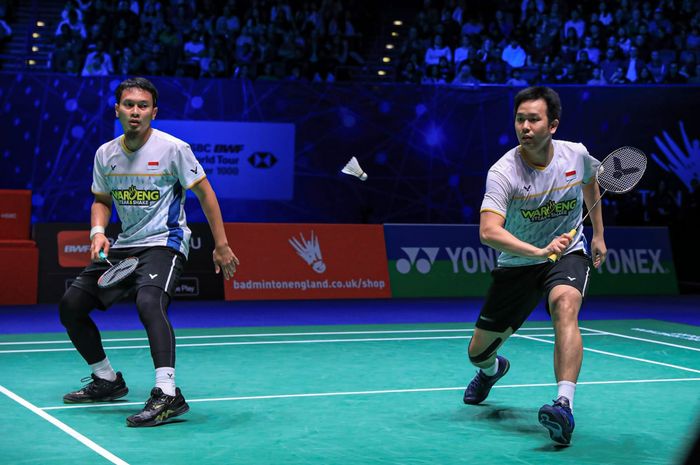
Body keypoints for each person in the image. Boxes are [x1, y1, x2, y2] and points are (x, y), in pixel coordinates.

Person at [59, 77, 239, 427]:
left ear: (153, 112)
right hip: (126, 245)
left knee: (148, 302)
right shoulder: (105, 154)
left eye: (143, 106)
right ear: (118, 110)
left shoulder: (173, 149)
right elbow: (101, 200)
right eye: (129, 105)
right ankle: (107, 380)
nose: (136, 112)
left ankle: (168, 394)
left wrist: (221, 244)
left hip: (165, 242)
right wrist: (98, 232)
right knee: (71, 306)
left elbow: (206, 194)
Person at [462, 86, 606, 446]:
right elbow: (488, 232)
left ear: (552, 125)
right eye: (519, 119)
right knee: (477, 352)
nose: (524, 126)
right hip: (518, 263)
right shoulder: (503, 172)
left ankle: (563, 405)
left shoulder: (576, 154)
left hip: (568, 251)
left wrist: (599, 233)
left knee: (565, 305)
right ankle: (493, 370)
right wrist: (539, 251)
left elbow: (591, 183)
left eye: (533, 119)